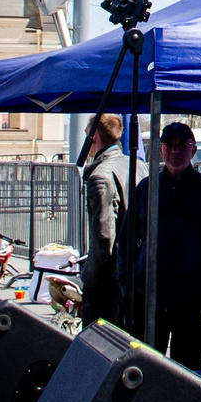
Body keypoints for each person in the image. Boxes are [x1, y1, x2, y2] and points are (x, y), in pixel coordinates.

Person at [117, 124, 201, 372]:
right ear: (160, 151)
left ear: (194, 150)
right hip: (147, 299)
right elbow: (125, 242)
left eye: (182, 145)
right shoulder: (147, 188)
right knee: (143, 371)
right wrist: (128, 286)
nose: (175, 151)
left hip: (192, 302)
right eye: (170, 145)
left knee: (188, 376)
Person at [77, 115, 129, 325]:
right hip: (131, 272)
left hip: (109, 279)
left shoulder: (100, 176)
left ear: (95, 137)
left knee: (100, 345)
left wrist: (88, 276)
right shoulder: (136, 164)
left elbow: (104, 238)